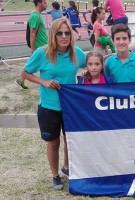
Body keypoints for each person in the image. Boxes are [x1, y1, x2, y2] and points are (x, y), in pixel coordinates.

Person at [20, 18, 86, 190]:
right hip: (49, 107)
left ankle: (67, 168)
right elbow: (25, 73)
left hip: (70, 107)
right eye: (59, 33)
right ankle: (55, 175)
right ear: (53, 35)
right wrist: (43, 81)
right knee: (53, 143)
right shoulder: (42, 53)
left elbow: (94, 63)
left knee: (69, 140)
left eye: (67, 33)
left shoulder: (76, 52)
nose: (64, 36)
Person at [16, 0, 48, 89]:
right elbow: (32, 33)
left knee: (31, 63)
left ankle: (21, 80)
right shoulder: (35, 16)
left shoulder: (38, 15)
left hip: (43, 45)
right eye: (44, 2)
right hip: (40, 47)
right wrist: (33, 49)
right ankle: (22, 79)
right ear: (39, 4)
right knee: (32, 64)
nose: (46, 4)